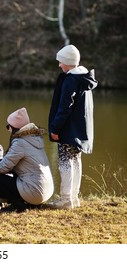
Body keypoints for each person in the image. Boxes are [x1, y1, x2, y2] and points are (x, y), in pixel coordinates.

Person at [48, 44, 98, 209]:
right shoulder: (84, 78)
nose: (59, 65)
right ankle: (74, 198)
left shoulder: (71, 79)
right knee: (75, 160)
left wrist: (55, 129)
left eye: (61, 62)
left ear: (68, 62)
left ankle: (65, 199)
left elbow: (64, 107)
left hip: (68, 129)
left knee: (64, 161)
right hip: (80, 129)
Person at [0, 107, 54, 212]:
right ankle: (30, 204)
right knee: (10, 175)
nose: (8, 129)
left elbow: (4, 166)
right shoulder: (34, 138)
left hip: (35, 191)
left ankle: (19, 206)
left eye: (8, 126)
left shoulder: (20, 142)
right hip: (46, 190)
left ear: (14, 128)